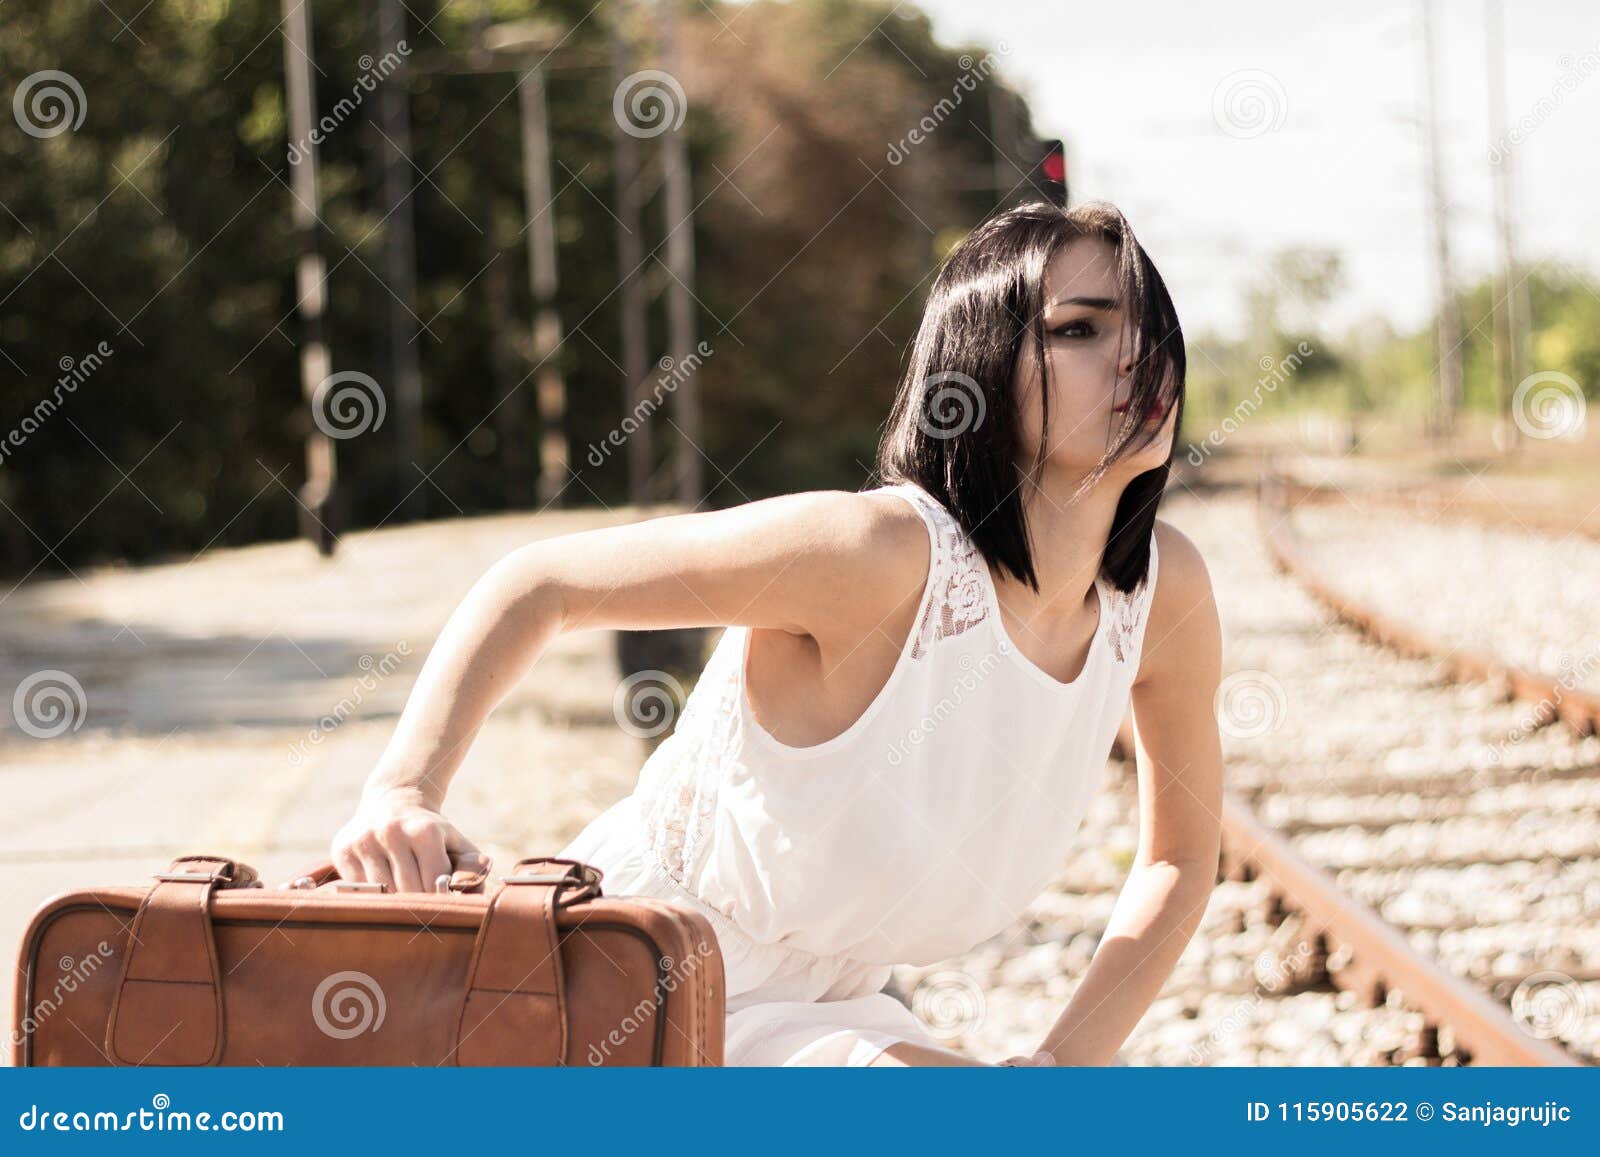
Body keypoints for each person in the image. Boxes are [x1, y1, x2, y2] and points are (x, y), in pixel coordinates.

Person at [329, 200, 1224, 1067]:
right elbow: (540, 584)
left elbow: (1181, 858)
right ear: (984, 362)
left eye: (1150, 326)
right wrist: (402, 789)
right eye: (1080, 329)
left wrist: (1066, 1063)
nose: (1136, 357)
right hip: (627, 976)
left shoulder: (1161, 593)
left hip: (830, 1008)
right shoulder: (875, 556)